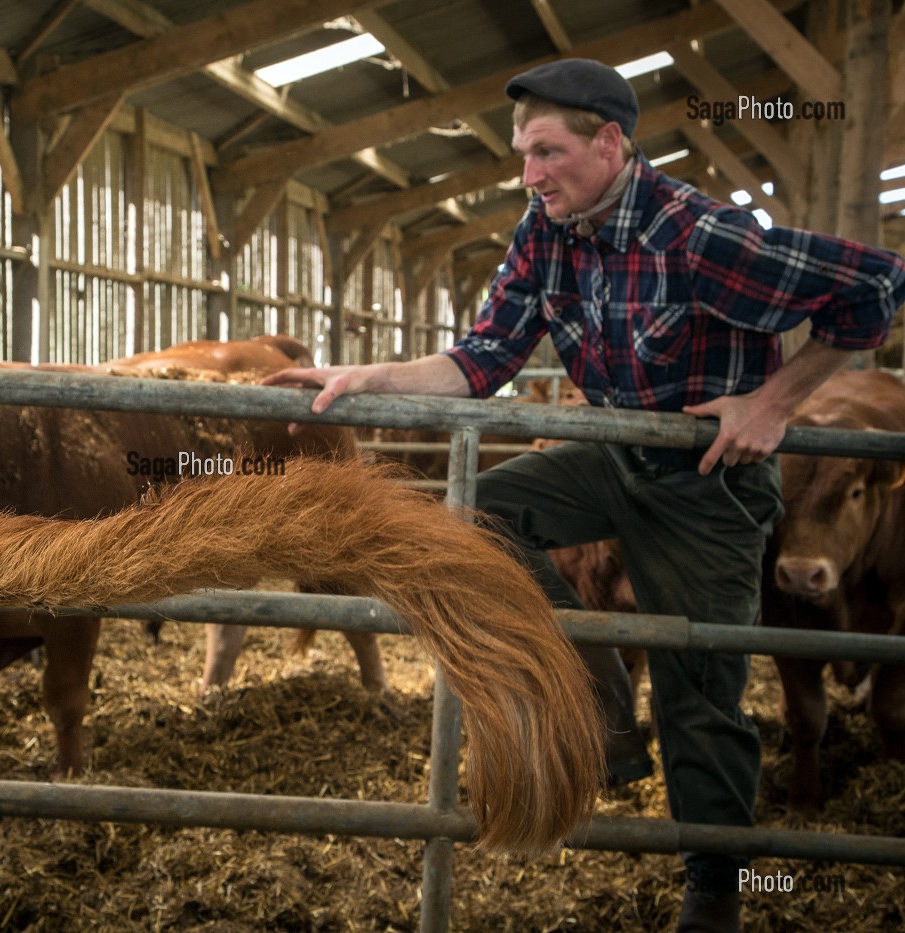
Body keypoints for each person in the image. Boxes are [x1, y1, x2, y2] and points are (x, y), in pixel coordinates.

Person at [263, 58, 905, 933]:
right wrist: (367, 374)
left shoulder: (700, 235)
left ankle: (714, 890)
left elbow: (876, 286)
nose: (529, 175)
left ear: (609, 142)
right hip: (614, 454)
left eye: (546, 152)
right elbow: (483, 357)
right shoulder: (546, 229)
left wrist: (775, 401)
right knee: (474, 516)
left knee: (698, 695)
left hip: (708, 485)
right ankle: (596, 692)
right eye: (522, 155)